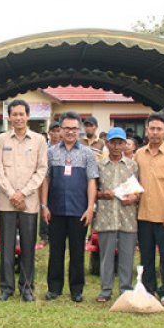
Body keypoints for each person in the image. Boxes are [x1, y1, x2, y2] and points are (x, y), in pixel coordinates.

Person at [0, 99, 48, 302]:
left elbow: (41, 170)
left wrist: (23, 193)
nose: (18, 118)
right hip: (7, 202)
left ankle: (26, 287)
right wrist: (12, 194)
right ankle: (6, 288)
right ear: (9, 117)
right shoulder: (1, 140)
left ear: (28, 116)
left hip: (29, 202)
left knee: (27, 245)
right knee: (6, 246)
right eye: (14, 114)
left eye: (21, 114)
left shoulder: (39, 140)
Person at [40, 111, 97, 302]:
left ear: (79, 130)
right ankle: (54, 288)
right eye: (66, 128)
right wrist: (44, 205)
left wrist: (90, 208)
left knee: (77, 251)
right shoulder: (51, 152)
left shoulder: (87, 153)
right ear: (60, 130)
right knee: (55, 251)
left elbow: (91, 181)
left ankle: (76, 289)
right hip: (55, 210)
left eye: (74, 128)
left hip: (79, 211)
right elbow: (46, 179)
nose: (70, 132)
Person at [134, 112, 164, 307]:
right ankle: (148, 287)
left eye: (159, 129)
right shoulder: (139, 154)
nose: (155, 132)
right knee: (146, 254)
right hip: (143, 213)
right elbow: (134, 183)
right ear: (147, 131)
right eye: (151, 128)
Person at [93, 127, 139, 302]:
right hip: (106, 216)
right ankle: (105, 290)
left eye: (121, 143)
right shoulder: (99, 166)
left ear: (126, 144)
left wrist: (134, 197)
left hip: (127, 217)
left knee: (127, 255)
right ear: (107, 143)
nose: (117, 146)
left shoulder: (133, 165)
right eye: (113, 143)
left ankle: (126, 289)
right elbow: (92, 191)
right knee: (106, 256)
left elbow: (139, 189)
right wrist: (103, 194)